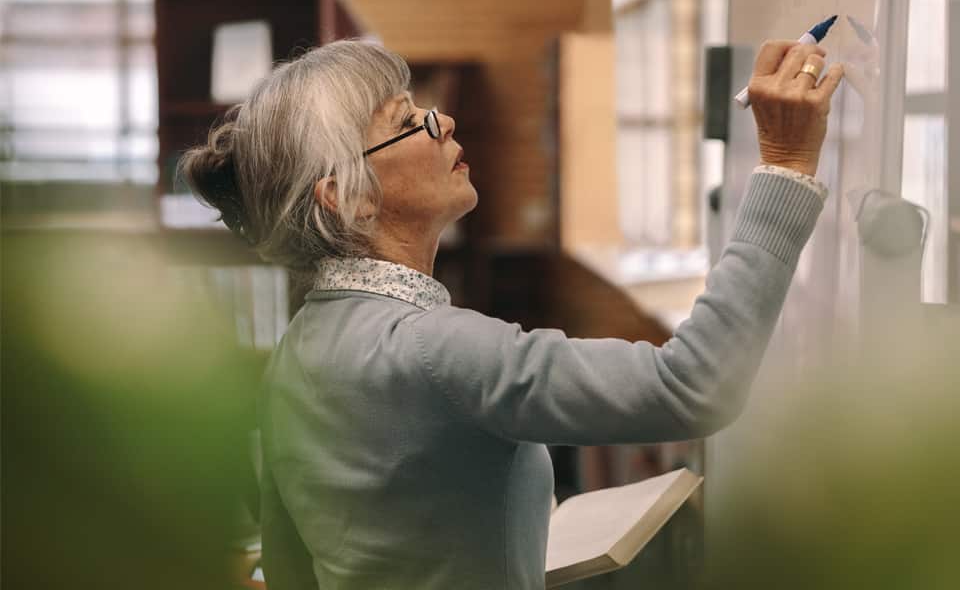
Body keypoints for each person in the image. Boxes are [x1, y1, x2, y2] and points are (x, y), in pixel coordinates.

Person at [178, 38, 843, 590]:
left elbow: (294, 570)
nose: (446, 123)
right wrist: (783, 169)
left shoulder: (299, 347)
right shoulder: (435, 349)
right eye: (409, 123)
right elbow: (692, 384)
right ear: (348, 199)